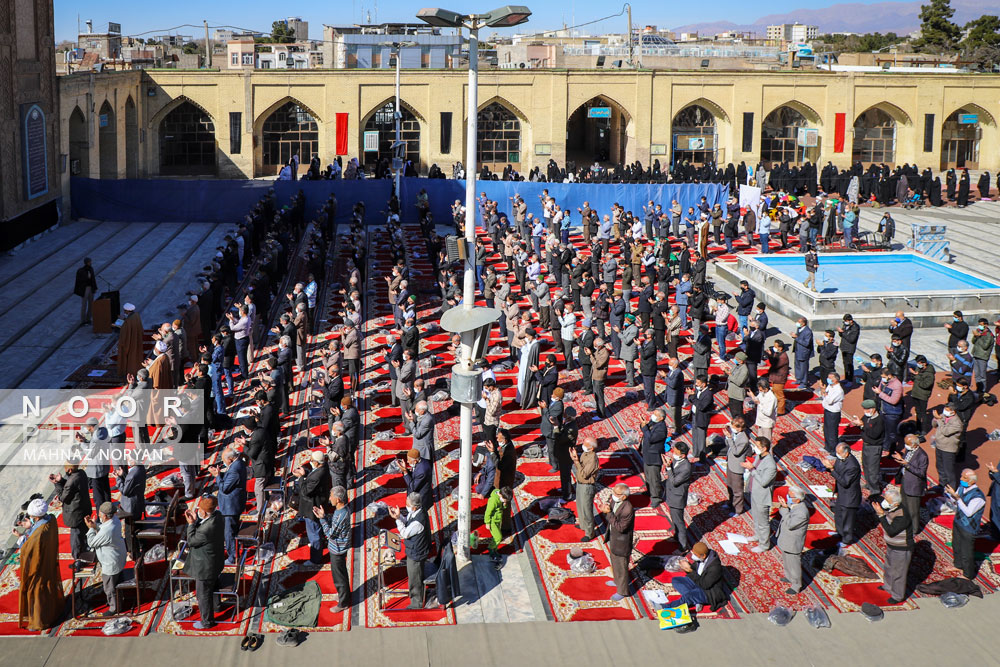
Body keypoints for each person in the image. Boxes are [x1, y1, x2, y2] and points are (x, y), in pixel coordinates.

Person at [184, 496, 225, 630]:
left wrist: (191, 524)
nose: (198, 511)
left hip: (205, 567)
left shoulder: (205, 530)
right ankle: (217, 606)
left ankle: (207, 621)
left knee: (203, 595)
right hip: (215, 561)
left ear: (205, 512)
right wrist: (197, 521)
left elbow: (191, 541)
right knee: (214, 585)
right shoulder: (218, 516)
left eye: (200, 509)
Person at [84, 501, 127, 616]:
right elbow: (102, 529)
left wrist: (91, 529)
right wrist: (95, 526)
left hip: (111, 562)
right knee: (115, 582)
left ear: (105, 516)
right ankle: (118, 601)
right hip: (117, 557)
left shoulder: (107, 531)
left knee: (109, 587)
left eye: (100, 514)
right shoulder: (115, 520)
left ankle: (114, 608)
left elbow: (92, 543)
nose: (98, 515)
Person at [314, 486, 352, 613]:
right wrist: (325, 516)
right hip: (338, 547)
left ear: (339, 499)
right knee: (341, 574)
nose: (330, 498)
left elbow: (330, 534)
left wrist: (322, 519)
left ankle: (343, 602)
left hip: (338, 548)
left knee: (339, 577)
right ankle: (344, 595)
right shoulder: (341, 510)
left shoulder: (340, 515)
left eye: (332, 496)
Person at [872, 485, 913, 605]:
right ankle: (888, 586)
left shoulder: (902, 515)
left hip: (902, 547)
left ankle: (897, 595)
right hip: (892, 545)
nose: (885, 502)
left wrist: (881, 515)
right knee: (889, 566)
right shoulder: (891, 508)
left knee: (899, 572)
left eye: (887, 501)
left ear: (895, 504)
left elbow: (891, 531)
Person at [390, 493, 429, 610]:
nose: (405, 506)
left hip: (416, 553)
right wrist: (400, 516)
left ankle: (416, 603)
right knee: (414, 575)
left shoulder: (418, 521)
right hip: (414, 550)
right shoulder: (416, 513)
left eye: (407, 505)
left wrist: (397, 520)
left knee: (414, 577)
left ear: (414, 507)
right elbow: (407, 521)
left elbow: (405, 533)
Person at [597, 482, 635, 602]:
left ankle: (622, 591)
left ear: (624, 496)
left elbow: (620, 527)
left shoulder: (627, 509)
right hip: (614, 538)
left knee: (622, 567)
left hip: (622, 542)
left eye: (616, 493)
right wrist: (606, 509)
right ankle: (617, 581)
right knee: (615, 562)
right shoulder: (616, 501)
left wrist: (608, 513)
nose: (613, 495)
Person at [946, 468, 985, 580]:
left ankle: (968, 575)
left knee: (967, 551)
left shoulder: (978, 497)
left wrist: (957, 499)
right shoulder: (962, 487)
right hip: (958, 522)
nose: (961, 479)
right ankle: (958, 565)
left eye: (964, 478)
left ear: (972, 481)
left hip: (969, 528)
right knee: (956, 545)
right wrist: (952, 496)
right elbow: (955, 502)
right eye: (962, 476)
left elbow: (968, 512)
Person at [210, 448, 247, 564]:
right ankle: (234, 548)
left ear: (230, 459)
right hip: (233, 503)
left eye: (224, 460)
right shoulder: (238, 463)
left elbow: (225, 488)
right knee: (232, 529)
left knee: (229, 532)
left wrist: (217, 476)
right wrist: (220, 474)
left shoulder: (235, 470)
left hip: (231, 507)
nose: (223, 462)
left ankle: (233, 557)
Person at [295, 450, 333, 565]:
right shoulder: (323, 468)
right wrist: (306, 474)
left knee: (314, 532)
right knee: (316, 528)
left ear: (317, 463)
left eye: (312, 460)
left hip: (312, 507)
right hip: (319, 501)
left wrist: (301, 478)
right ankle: (319, 545)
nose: (310, 462)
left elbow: (305, 491)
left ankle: (315, 558)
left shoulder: (317, 475)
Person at [669, 542, 728, 612]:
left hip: (708, 591)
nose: (693, 555)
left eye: (695, 554)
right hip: (698, 582)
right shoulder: (700, 559)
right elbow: (694, 570)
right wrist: (687, 567)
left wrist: (690, 571)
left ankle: (666, 607)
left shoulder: (715, 568)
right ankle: (697, 600)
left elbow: (704, 585)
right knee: (676, 581)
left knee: (689, 597)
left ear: (703, 556)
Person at [50, 462, 91, 562]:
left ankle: (77, 558)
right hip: (84, 508)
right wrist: (62, 481)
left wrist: (57, 484)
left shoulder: (71, 481)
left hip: (75, 513)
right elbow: (72, 486)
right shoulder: (82, 473)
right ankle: (87, 549)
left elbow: (62, 497)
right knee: (84, 531)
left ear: (69, 470)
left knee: (76, 537)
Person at [824, 443, 861, 547]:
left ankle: (846, 539)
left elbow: (845, 482)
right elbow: (837, 470)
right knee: (839, 514)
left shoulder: (852, 466)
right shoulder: (841, 459)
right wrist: (827, 467)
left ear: (846, 453)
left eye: (839, 453)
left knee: (847, 519)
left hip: (850, 497)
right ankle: (840, 532)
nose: (837, 455)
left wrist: (831, 469)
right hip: (841, 493)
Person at [745, 436, 776, 552]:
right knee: (756, 517)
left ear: (764, 448)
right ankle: (757, 536)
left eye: (758, 446)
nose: (755, 448)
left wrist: (752, 469)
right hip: (754, 492)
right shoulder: (759, 457)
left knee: (763, 522)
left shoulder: (771, 465)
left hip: (762, 496)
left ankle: (764, 544)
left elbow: (764, 482)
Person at [776, 487, 809, 595]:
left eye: (790, 496)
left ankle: (796, 585)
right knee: (787, 561)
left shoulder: (802, 513)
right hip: (786, 540)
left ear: (798, 500)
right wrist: (785, 506)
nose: (788, 497)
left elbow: (790, 524)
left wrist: (785, 509)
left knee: (794, 565)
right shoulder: (795, 506)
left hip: (793, 543)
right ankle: (789, 577)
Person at [893, 434, 928, 536]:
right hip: (905, 481)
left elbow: (921, 473)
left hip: (914, 485)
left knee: (913, 510)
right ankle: (905, 524)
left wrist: (906, 464)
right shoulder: (909, 450)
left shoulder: (922, 456)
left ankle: (913, 530)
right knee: (904, 505)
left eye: (907, 444)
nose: (906, 446)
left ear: (915, 445)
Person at [851, 399, 885, 493]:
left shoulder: (879, 420)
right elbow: (863, 426)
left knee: (872, 469)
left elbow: (874, 434)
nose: (865, 412)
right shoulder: (866, 417)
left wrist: (862, 425)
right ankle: (869, 484)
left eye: (867, 409)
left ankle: (875, 490)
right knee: (865, 465)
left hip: (874, 447)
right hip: (866, 445)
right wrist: (858, 424)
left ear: (873, 409)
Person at [662, 442, 692, 552]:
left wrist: (669, 468)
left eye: (676, 453)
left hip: (677, 498)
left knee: (679, 522)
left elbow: (675, 481)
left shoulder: (686, 468)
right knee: (674, 519)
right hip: (671, 494)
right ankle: (676, 536)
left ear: (683, 455)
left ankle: (683, 546)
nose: (673, 454)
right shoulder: (677, 460)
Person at [569, 437, 599, 541]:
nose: (583, 446)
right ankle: (583, 525)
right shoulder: (584, 454)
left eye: (585, 445)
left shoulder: (593, 459)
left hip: (587, 486)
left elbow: (585, 474)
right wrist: (576, 459)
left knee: (587, 510)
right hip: (580, 483)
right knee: (580, 506)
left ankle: (590, 532)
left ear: (591, 448)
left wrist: (576, 461)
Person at [641, 409, 668, 505]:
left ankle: (656, 498)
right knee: (648, 476)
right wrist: (643, 424)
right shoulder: (654, 422)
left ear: (661, 418)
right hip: (648, 455)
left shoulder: (661, 428)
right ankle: (649, 491)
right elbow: (646, 430)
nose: (653, 416)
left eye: (655, 415)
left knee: (654, 479)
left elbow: (651, 438)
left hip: (654, 457)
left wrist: (644, 428)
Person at [725, 416, 751, 515]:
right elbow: (728, 445)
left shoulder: (743, 439)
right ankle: (730, 503)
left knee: (737, 490)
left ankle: (738, 509)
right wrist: (728, 437)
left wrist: (730, 438)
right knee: (730, 486)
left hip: (737, 467)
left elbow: (736, 451)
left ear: (740, 428)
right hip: (730, 463)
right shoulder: (734, 434)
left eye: (734, 427)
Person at [484, 487, 513, 568]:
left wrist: (504, 505)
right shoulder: (493, 500)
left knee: (496, 536)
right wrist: (487, 522)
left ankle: (494, 550)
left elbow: (501, 508)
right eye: (505, 500)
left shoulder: (501, 498)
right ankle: (491, 549)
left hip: (498, 520)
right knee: (498, 537)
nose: (505, 501)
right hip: (493, 521)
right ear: (500, 494)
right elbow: (488, 512)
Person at [688, 375, 714, 462]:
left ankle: (702, 459)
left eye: (698, 383)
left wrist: (693, 396)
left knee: (701, 439)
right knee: (695, 435)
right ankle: (695, 453)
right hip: (695, 416)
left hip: (702, 418)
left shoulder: (708, 394)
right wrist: (691, 395)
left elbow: (701, 406)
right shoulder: (698, 390)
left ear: (703, 384)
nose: (696, 384)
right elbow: (693, 400)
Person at [910, 355, 935, 437]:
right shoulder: (919, 369)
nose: (918, 365)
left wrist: (917, 376)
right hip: (916, 393)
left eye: (919, 363)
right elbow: (914, 378)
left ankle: (923, 430)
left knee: (923, 413)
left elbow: (925, 385)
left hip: (923, 395)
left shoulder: (930, 374)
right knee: (918, 412)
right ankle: (918, 428)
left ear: (923, 363)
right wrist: (913, 375)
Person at [820, 372, 844, 454]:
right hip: (827, 410)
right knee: (826, 429)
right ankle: (827, 447)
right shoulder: (830, 386)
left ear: (835, 380)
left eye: (830, 378)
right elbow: (824, 396)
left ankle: (834, 451)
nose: (828, 379)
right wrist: (824, 392)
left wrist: (825, 393)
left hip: (833, 413)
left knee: (832, 432)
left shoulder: (839, 390)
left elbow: (830, 401)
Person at [765, 340, 790, 415]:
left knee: (779, 395)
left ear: (780, 348)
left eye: (776, 346)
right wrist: (770, 355)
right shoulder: (778, 353)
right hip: (776, 377)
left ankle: (781, 411)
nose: (774, 348)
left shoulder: (783, 357)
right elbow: (773, 362)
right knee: (775, 392)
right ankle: (776, 407)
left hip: (779, 378)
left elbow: (776, 365)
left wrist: (771, 356)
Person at [971, 317, 995, 393]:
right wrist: (975, 336)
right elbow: (973, 341)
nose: (979, 326)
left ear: (986, 325)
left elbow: (985, 346)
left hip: (982, 357)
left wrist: (979, 336)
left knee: (982, 375)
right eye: (979, 324)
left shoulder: (989, 335)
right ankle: (978, 389)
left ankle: (983, 391)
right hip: (976, 355)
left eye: (981, 325)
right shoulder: (979, 332)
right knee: (977, 375)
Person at [790, 317, 814, 389]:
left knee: (803, 368)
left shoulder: (808, 332)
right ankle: (798, 379)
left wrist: (796, 337)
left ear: (803, 323)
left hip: (804, 352)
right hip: (798, 350)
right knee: (797, 365)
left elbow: (806, 343)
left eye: (799, 322)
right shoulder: (799, 328)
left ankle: (804, 382)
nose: (797, 323)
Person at [837, 314, 860, 384]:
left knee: (849, 364)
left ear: (851, 321)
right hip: (844, 347)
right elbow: (842, 335)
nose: (845, 323)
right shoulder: (845, 325)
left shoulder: (855, 328)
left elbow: (852, 339)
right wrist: (840, 332)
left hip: (849, 348)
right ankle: (846, 377)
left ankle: (850, 379)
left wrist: (843, 333)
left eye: (846, 321)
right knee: (845, 363)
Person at [74, 257, 98, 325]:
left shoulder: (91, 269)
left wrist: (95, 288)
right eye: (90, 262)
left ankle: (88, 319)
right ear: (87, 262)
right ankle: (83, 320)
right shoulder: (81, 270)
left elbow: (93, 279)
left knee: (91, 304)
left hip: (91, 288)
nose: (91, 263)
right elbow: (79, 281)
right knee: (84, 305)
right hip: (85, 288)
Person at [727, 351, 749, 422]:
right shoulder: (736, 366)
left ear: (741, 361)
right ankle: (735, 423)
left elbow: (739, 382)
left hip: (737, 394)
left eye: (736, 358)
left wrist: (730, 375)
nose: (735, 359)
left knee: (737, 412)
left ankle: (740, 425)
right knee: (732, 410)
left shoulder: (744, 370)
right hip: (732, 392)